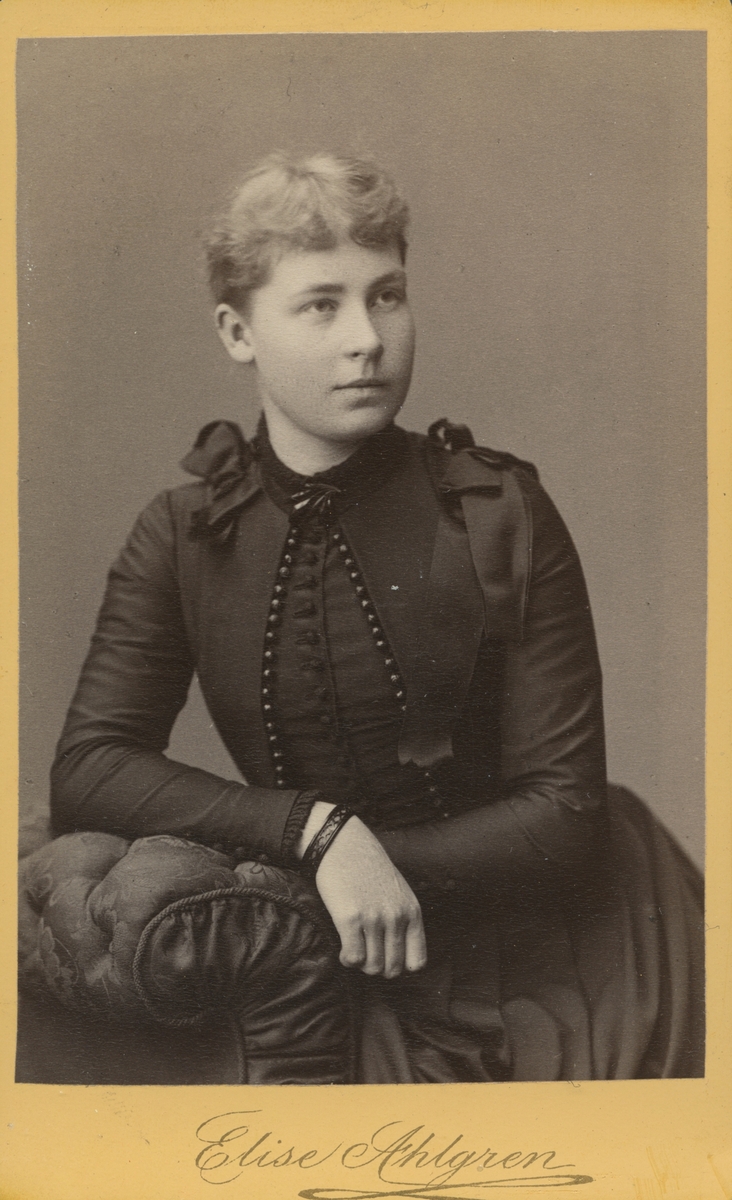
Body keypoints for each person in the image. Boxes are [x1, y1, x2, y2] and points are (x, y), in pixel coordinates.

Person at [50, 151, 704, 1082]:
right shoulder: (185, 532)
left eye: (386, 296)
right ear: (238, 332)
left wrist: (363, 866)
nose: (367, 338)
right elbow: (90, 766)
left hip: (565, 950)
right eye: (321, 305)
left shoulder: (497, 510)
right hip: (329, 942)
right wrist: (317, 838)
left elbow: (562, 813)